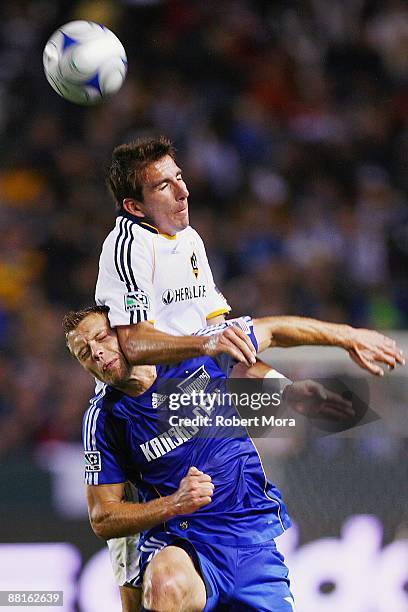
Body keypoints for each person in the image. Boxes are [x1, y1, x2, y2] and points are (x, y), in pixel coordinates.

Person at [64, 306, 403, 612]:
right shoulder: (104, 418)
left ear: (125, 332)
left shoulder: (195, 352)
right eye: (84, 353)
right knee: (165, 584)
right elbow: (102, 517)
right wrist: (173, 504)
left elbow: (275, 329)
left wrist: (349, 337)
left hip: (250, 540)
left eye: (102, 338)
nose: (96, 352)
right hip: (185, 542)